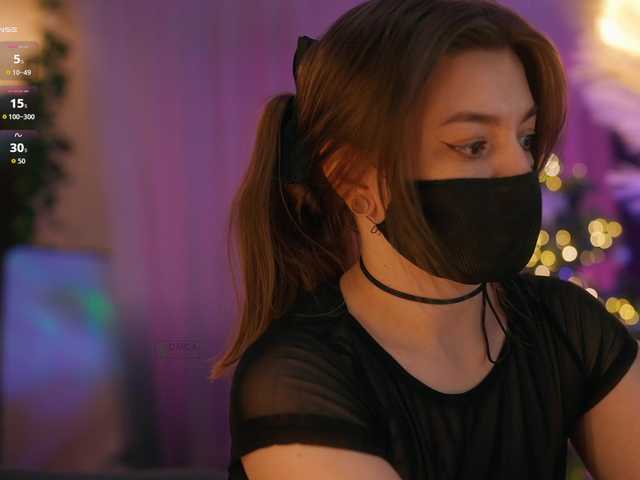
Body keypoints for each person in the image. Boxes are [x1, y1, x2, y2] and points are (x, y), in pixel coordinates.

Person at [210, 0, 640, 478]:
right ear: (353, 179)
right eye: (474, 145)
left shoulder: (565, 325)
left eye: (525, 137)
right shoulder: (298, 377)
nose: (521, 167)